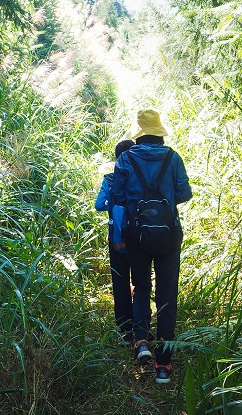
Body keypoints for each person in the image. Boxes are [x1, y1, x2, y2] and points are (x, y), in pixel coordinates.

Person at [111, 108, 192, 384]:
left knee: (141, 286)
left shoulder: (125, 159)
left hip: (136, 236)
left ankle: (142, 341)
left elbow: (117, 196)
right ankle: (164, 365)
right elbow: (184, 193)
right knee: (167, 294)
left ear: (139, 133)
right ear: (159, 132)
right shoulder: (173, 157)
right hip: (169, 235)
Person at [95, 139, 135, 344]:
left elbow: (99, 205)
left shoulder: (109, 179)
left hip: (116, 238)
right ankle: (142, 326)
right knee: (141, 280)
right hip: (139, 237)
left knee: (120, 282)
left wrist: (113, 203)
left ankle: (125, 329)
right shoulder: (140, 179)